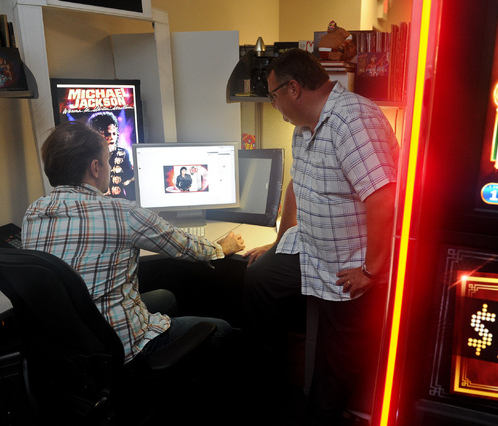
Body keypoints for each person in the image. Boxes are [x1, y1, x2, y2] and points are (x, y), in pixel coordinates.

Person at [242, 48, 399, 425]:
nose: (274, 104)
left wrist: (371, 269)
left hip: (350, 260)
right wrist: (279, 242)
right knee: (260, 279)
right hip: (310, 246)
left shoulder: (353, 121)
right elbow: (297, 185)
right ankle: (271, 386)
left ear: (293, 88)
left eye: (274, 95)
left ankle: (321, 417)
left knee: (336, 353)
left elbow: (384, 198)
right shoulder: (303, 128)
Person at [22, 121, 245, 368]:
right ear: (95, 168)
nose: (109, 167)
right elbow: (182, 245)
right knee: (223, 329)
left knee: (166, 297)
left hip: (68, 345)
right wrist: (220, 248)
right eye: (107, 161)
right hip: (123, 347)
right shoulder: (121, 212)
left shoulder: (33, 213)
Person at [87, 111, 135, 200]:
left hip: (121, 202)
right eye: (107, 134)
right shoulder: (87, 156)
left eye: (114, 133)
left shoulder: (123, 154)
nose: (112, 137)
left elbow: (129, 182)